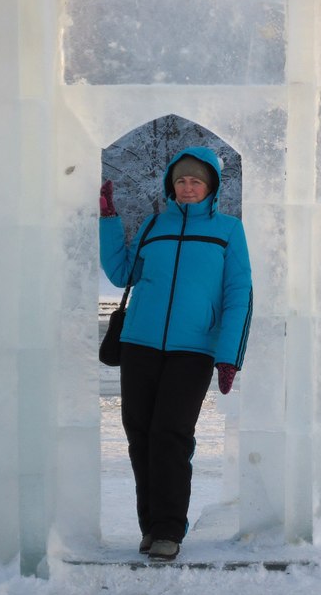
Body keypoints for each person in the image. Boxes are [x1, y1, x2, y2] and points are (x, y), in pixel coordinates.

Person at [99, 146, 253, 561]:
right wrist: (109, 220)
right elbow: (122, 273)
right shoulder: (154, 224)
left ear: (211, 186)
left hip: (194, 349)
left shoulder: (228, 231)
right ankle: (150, 527)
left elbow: (239, 292)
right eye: (181, 180)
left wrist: (228, 355)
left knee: (171, 434)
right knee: (139, 435)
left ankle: (169, 528)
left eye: (195, 181)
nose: (187, 187)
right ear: (171, 184)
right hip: (139, 343)